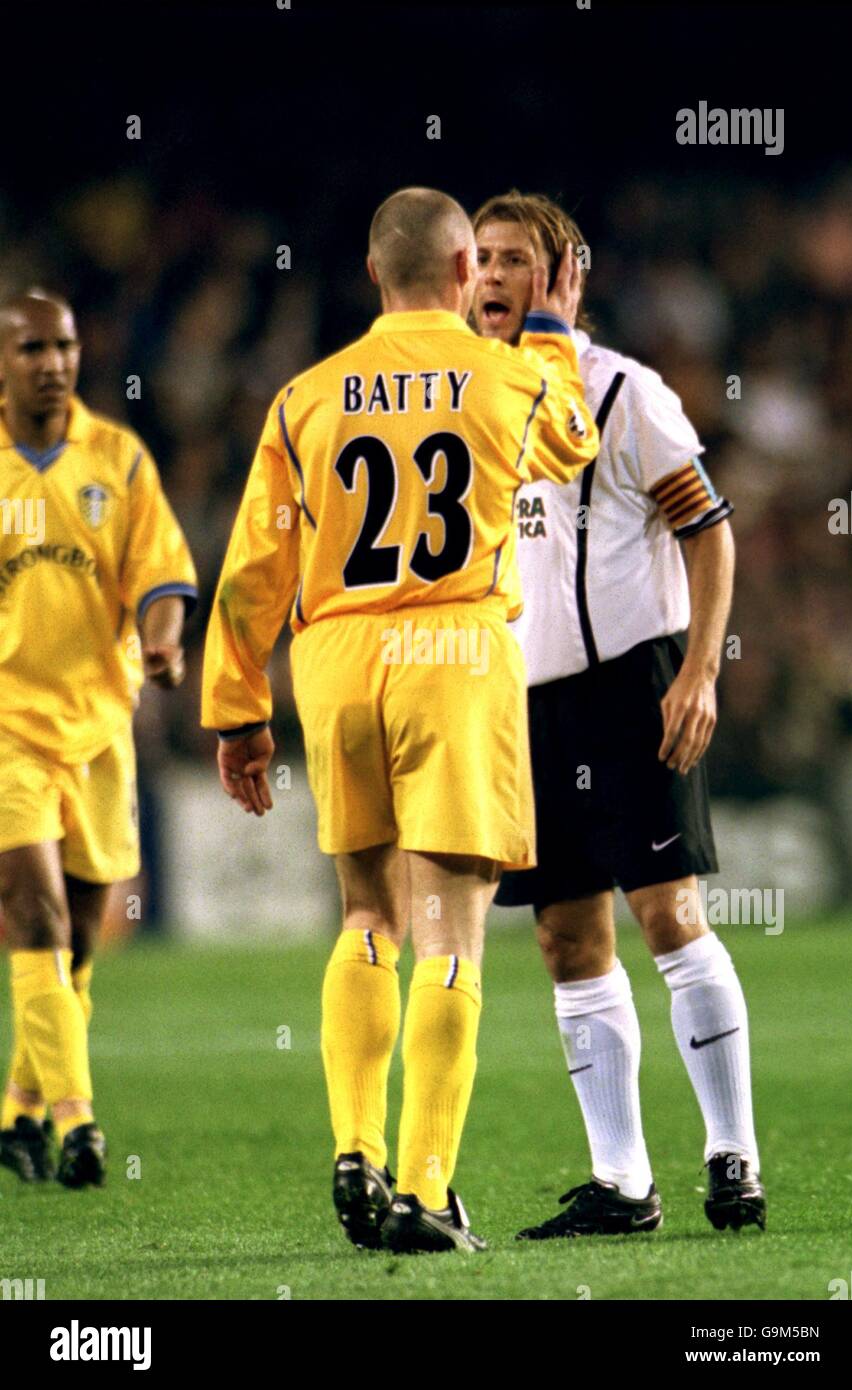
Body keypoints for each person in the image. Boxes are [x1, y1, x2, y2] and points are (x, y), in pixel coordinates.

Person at [201, 187, 598, 1253]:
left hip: (336, 659)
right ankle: (423, 1189)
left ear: (376, 276)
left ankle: (353, 1147)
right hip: (455, 652)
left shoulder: (305, 396)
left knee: (365, 914)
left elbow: (251, 571)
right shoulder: (504, 373)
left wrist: (239, 710)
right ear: (469, 273)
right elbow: (573, 439)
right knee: (450, 932)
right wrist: (554, 326)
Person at [473, 190, 765, 1237]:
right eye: (482, 258)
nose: (493, 275)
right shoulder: (470, 408)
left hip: (630, 685)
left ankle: (733, 1156)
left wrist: (698, 671)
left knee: (670, 916)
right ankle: (624, 1182)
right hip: (526, 703)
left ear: (563, 276)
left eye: (515, 258)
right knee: (564, 934)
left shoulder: (622, 392)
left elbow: (709, 532)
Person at [0, 291, 197, 1188]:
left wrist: (161, 638)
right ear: (4, 361)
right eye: (33, 346)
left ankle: (19, 1114)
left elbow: (161, 572)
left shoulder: (117, 459)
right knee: (32, 913)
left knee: (80, 943)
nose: (54, 360)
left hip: (101, 728)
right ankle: (79, 1125)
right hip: (8, 734)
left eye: (66, 344)